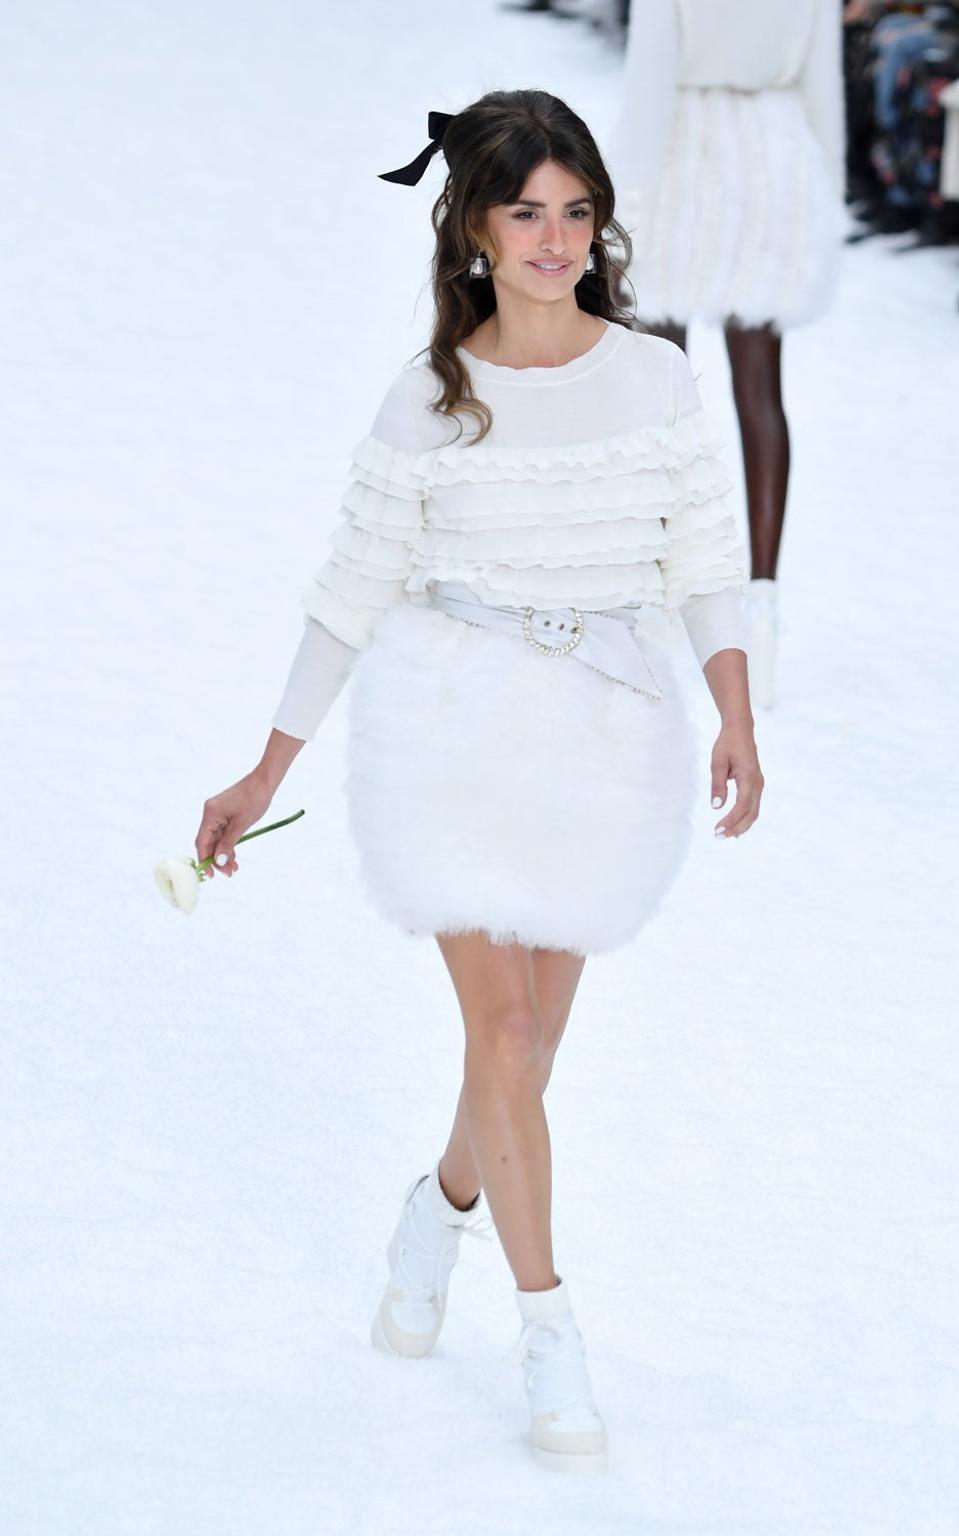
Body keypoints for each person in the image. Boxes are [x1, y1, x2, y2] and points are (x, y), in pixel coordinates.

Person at [194, 89, 763, 1474]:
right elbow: (352, 587)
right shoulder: (429, 398)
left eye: (576, 211)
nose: (556, 239)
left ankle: (439, 1206)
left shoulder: (656, 379)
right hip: (451, 719)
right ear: (474, 230)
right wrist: (266, 764)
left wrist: (735, 715)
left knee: (531, 1053)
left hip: (604, 733)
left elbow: (705, 553)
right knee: (504, 1041)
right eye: (527, 213)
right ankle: (548, 1330)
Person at [610, 0, 846, 707]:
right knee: (761, 391)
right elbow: (824, 93)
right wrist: (827, 201)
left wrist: (624, 217)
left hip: (686, 158)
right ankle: (762, 607)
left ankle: (653, 596)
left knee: (661, 389)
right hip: (775, 161)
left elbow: (648, 91)